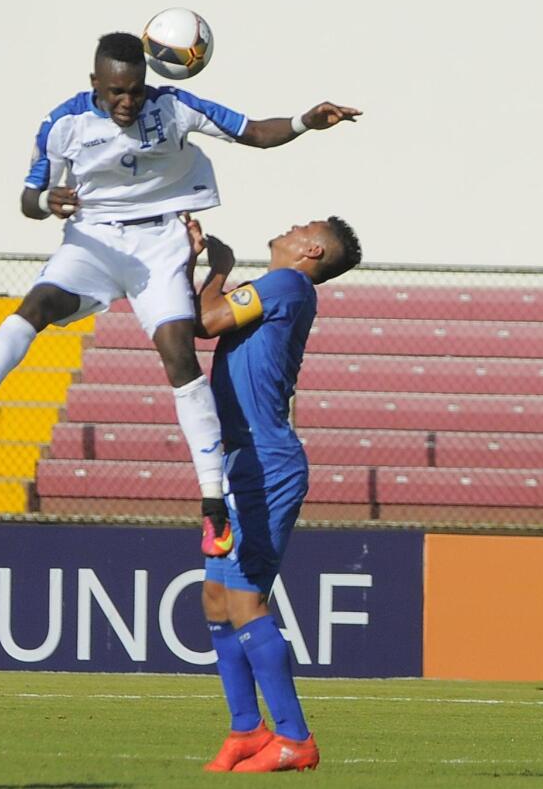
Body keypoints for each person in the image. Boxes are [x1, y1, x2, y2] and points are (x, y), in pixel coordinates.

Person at [0, 31, 360, 556]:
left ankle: (211, 505)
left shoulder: (175, 106)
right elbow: (28, 199)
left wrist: (303, 123)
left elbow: (251, 131)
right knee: (38, 305)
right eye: (116, 91)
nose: (128, 102)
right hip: (93, 239)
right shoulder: (62, 124)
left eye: (135, 90)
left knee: (179, 354)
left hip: (160, 240)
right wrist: (49, 199)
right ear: (95, 84)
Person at [183, 213, 361, 773]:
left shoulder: (287, 284)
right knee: (215, 597)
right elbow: (207, 318)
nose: (288, 226)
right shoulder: (278, 289)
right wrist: (214, 269)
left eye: (300, 225)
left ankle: (295, 739)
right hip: (239, 460)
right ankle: (246, 729)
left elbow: (205, 322)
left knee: (244, 599)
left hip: (265, 463)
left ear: (310, 249)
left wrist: (218, 267)